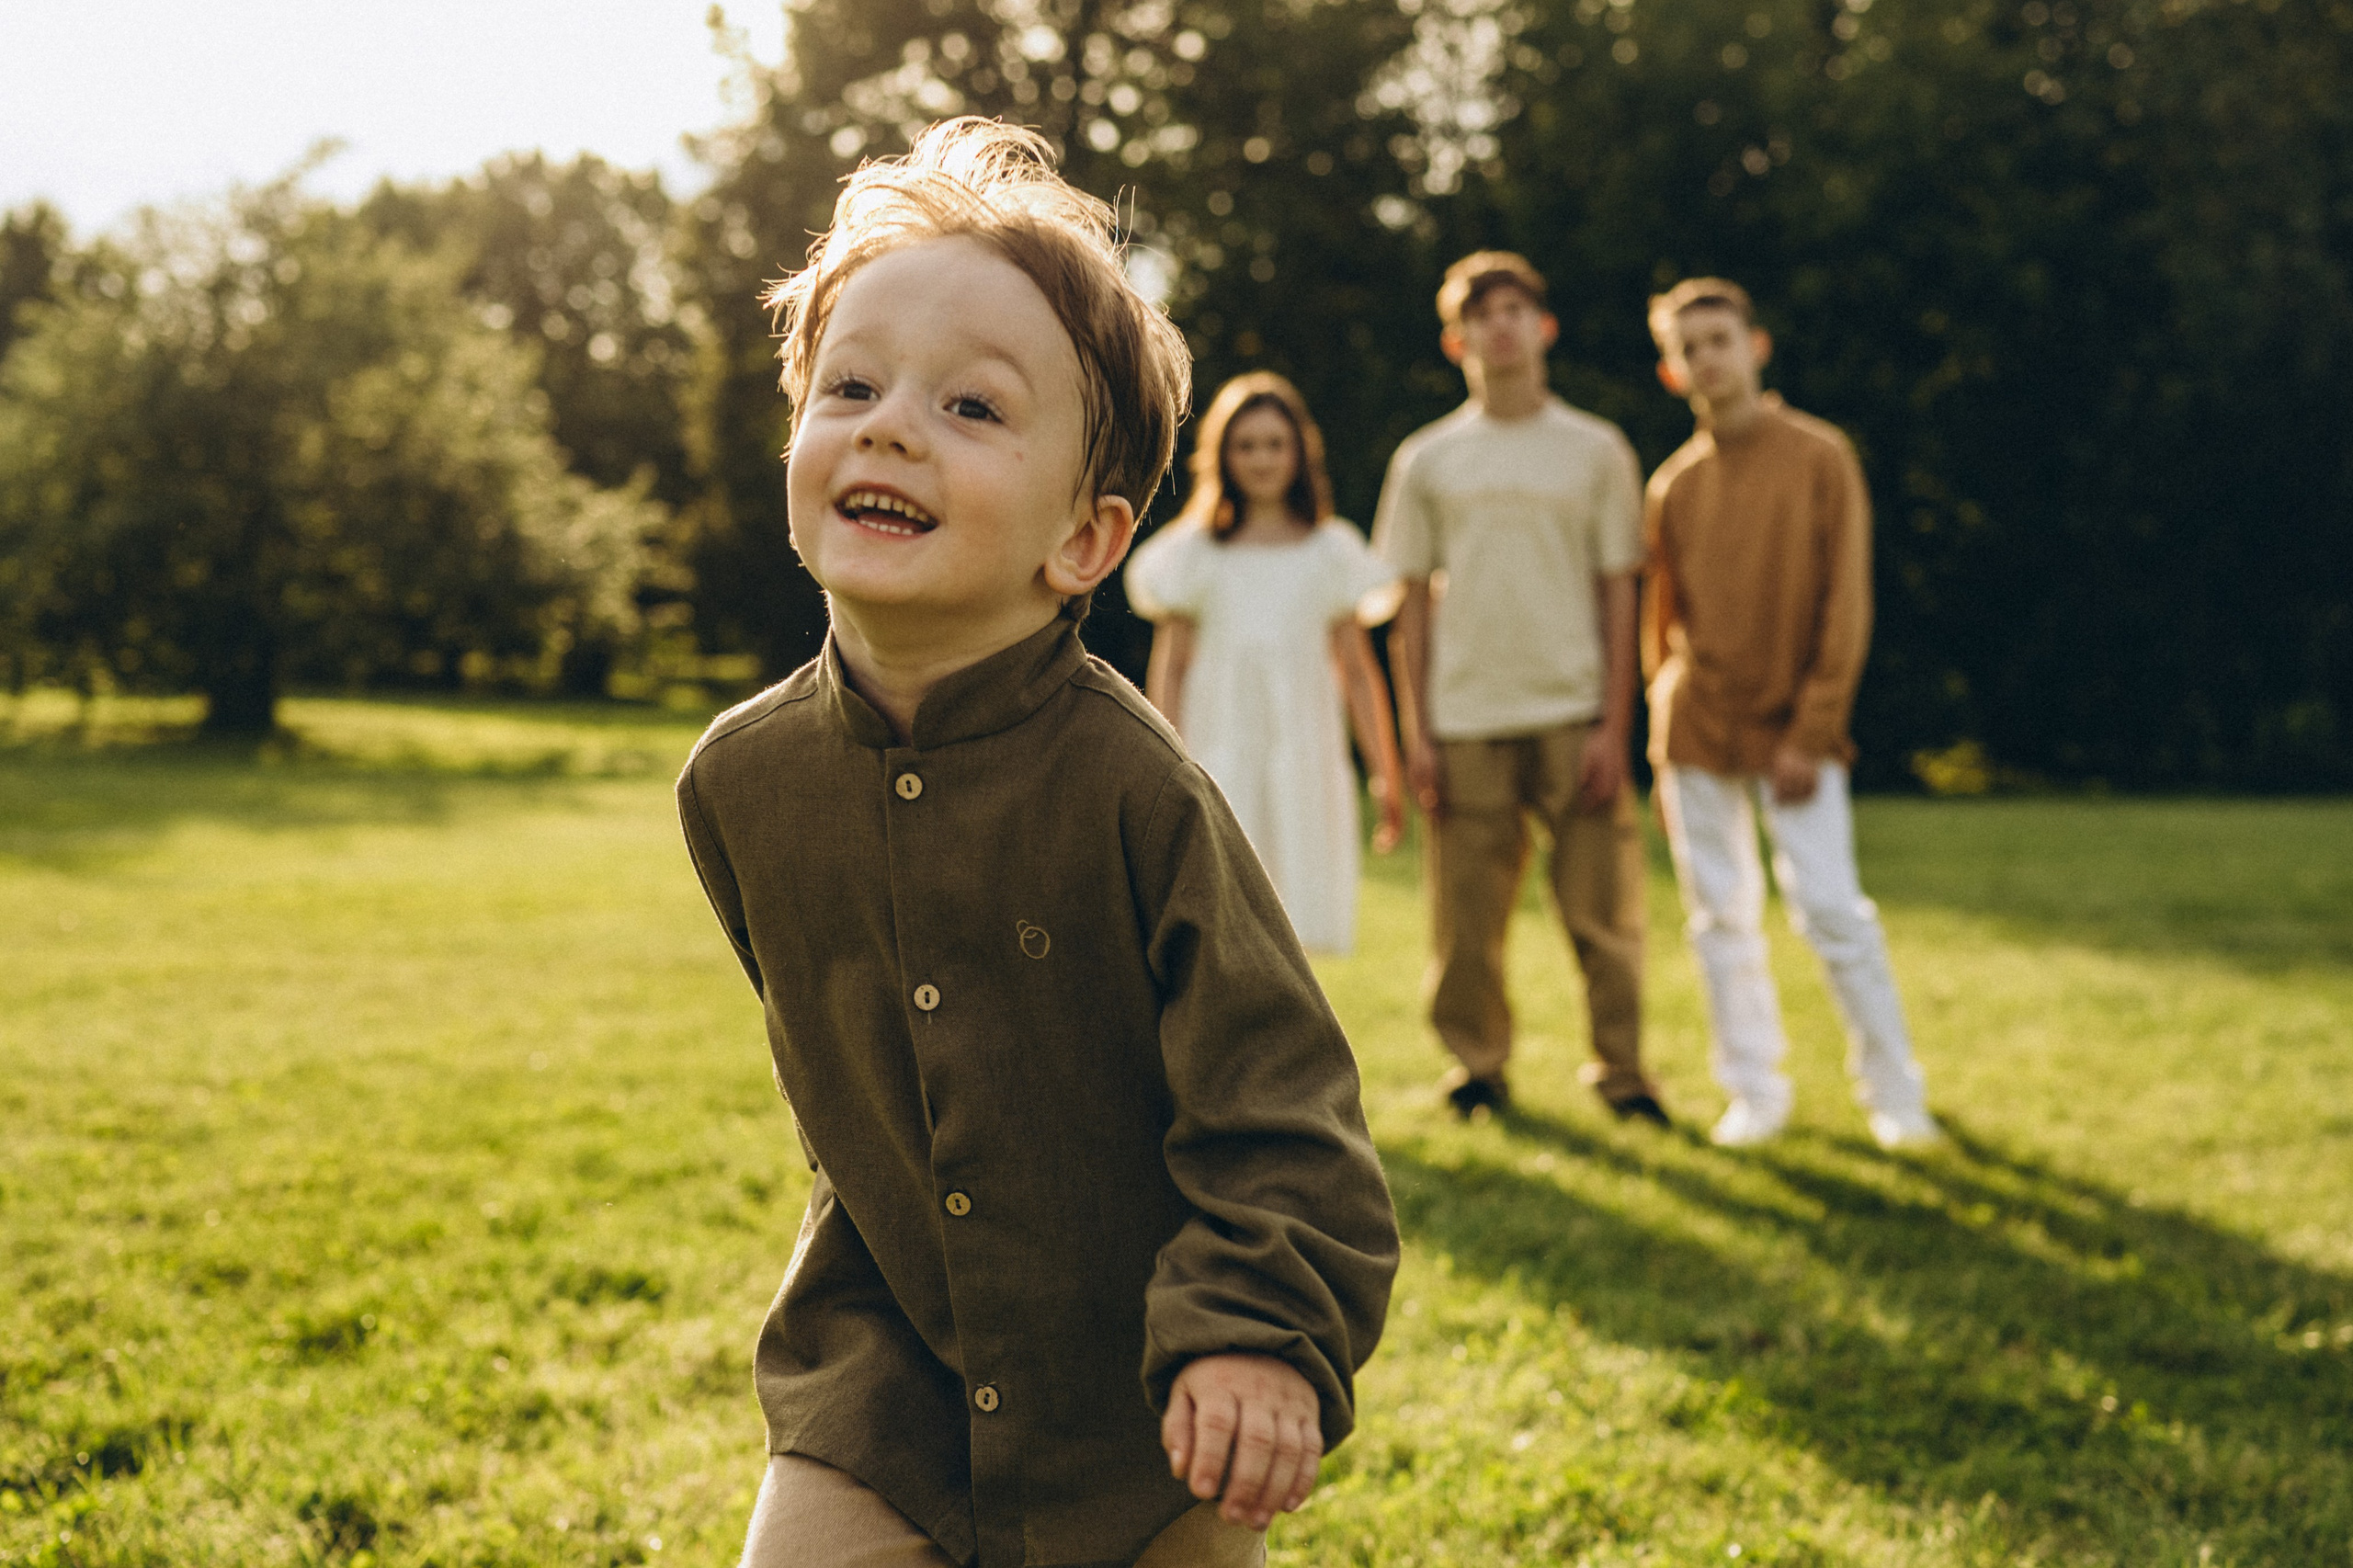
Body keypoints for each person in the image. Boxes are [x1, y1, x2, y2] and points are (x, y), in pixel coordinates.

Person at [675, 120, 1399, 1568]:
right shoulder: (739, 785)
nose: (888, 425)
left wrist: (1252, 1335)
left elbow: (1285, 1105)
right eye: (853, 385)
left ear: (1087, 537)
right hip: (879, 1379)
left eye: (973, 408)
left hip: (1148, 1403)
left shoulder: (1140, 792)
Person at [1642, 276, 1942, 1151]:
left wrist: (1812, 732)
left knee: (1832, 911)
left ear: (1755, 345)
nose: (1706, 359)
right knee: (1720, 919)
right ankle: (1755, 1095)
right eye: (1687, 347)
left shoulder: (1820, 456)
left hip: (1798, 733)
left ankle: (1895, 1096)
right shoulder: (1675, 486)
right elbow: (1662, 630)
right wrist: (1665, 727)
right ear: (1672, 370)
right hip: (1697, 731)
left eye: (1718, 340)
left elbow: (1845, 606)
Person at [1372, 250, 1667, 1129]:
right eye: (1482, 314)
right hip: (1464, 719)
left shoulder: (1595, 449)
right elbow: (1408, 605)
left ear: (1543, 328)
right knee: (1465, 925)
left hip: (1575, 713)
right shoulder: (1427, 460)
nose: (1500, 327)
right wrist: (1416, 732)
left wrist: (1618, 721)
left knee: (1603, 916)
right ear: (1455, 338)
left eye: (1515, 311)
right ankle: (1478, 1069)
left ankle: (1623, 1074)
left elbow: (1622, 589)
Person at [1125, 371, 1407, 955]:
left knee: (1298, 917)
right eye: (1246, 445)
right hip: (1219, 745)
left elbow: (1357, 671)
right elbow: (1171, 668)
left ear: (1300, 452)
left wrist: (1384, 768)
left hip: (1303, 750)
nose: (1261, 459)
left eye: (1275, 444)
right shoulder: (1195, 554)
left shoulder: (1330, 552)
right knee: (1220, 915)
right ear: (1222, 455)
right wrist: (1162, 762)